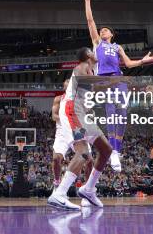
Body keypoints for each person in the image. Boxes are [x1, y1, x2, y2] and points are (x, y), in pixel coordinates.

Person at [80, 0, 153, 172]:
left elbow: (129, 64)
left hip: (119, 79)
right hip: (104, 81)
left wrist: (143, 61)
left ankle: (116, 151)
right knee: (110, 112)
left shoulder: (117, 47)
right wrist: (87, 1)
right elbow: (90, 21)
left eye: (105, 30)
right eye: (101, 30)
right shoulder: (97, 43)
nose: (102, 31)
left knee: (122, 112)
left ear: (111, 34)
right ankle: (113, 150)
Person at [47, 47, 113, 210]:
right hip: (72, 112)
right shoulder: (82, 66)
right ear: (88, 55)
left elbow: (94, 89)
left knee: (106, 150)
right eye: (92, 51)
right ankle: (59, 193)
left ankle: (89, 189)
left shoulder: (89, 70)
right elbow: (94, 83)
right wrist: (116, 80)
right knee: (83, 153)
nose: (95, 53)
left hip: (80, 114)